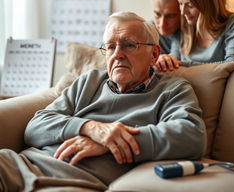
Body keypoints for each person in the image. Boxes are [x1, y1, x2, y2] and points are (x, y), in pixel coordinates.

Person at [0, 12, 206, 191]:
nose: (117, 55)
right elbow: (35, 127)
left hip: (72, 183)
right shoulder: (89, 81)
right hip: (19, 165)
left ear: (154, 54)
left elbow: (192, 135)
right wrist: (90, 128)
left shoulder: (172, 89)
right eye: (110, 47)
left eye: (129, 45)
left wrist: (111, 141)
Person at [151, 0, 181, 70]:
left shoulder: (190, 32)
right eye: (157, 14)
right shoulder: (146, 29)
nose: (162, 24)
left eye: (170, 16)